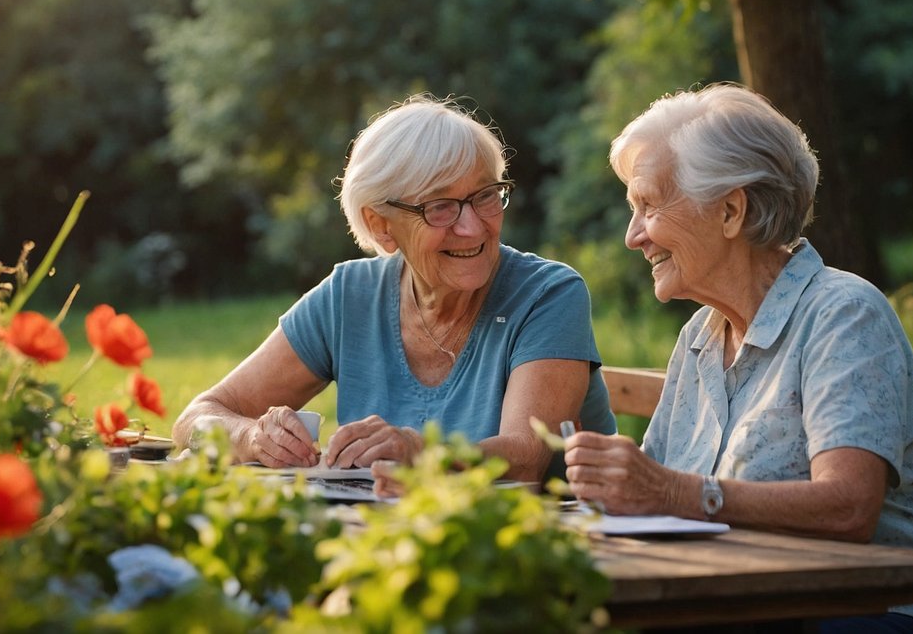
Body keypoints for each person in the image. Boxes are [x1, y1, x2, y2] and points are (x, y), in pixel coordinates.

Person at [563, 83, 913, 634]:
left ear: (731, 210)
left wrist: (673, 493)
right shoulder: (700, 336)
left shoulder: (843, 314)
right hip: (755, 603)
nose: (632, 236)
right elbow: (653, 498)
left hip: (886, 610)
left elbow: (848, 508)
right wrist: (613, 492)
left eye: (648, 205)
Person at [172, 94, 616, 484]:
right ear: (380, 226)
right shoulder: (350, 296)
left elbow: (525, 459)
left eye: (484, 195)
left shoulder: (548, 295)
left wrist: (419, 454)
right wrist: (251, 437)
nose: (473, 226)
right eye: (441, 207)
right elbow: (196, 417)